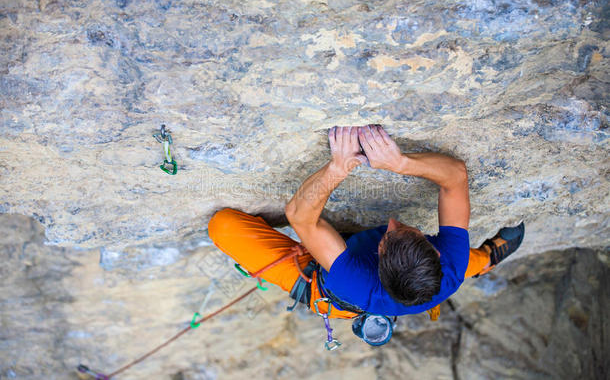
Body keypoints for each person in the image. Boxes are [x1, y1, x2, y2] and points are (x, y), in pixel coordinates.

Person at [208, 125, 525, 322]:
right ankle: (486, 259)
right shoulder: (450, 267)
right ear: (436, 253)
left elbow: (300, 216)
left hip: (320, 283)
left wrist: (337, 168)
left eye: (388, 237)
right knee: (467, 260)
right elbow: (455, 176)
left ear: (377, 259)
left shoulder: (354, 277)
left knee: (223, 226)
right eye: (403, 231)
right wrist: (401, 163)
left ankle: (483, 260)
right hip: (429, 272)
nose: (390, 223)